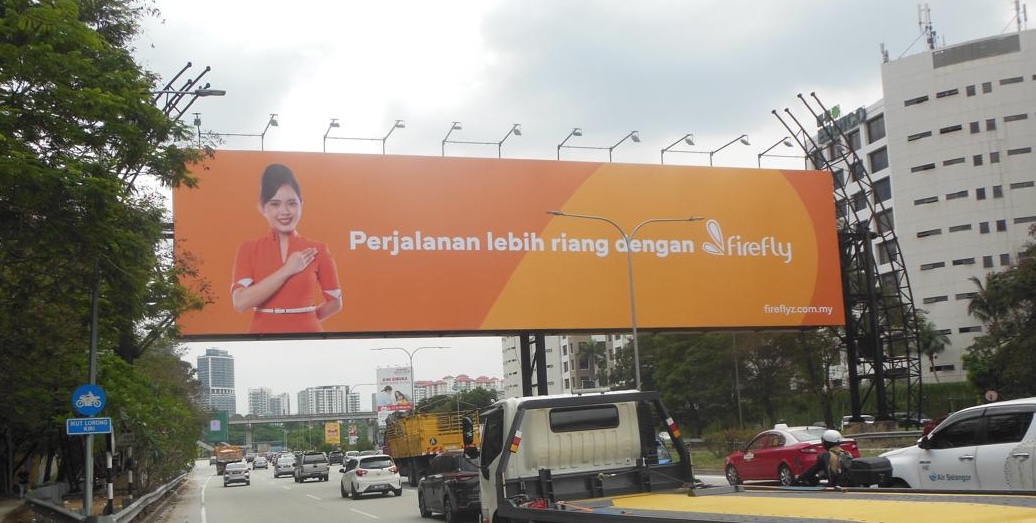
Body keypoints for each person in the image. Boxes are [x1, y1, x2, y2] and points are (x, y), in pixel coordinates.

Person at [232, 164, 342, 333]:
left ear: (301, 204)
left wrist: (305, 318)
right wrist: (288, 269)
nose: (284, 211)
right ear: (262, 208)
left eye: (292, 203)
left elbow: (335, 302)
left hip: (308, 335)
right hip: (261, 335)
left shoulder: (318, 249)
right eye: (275, 204)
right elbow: (240, 303)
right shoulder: (249, 249)